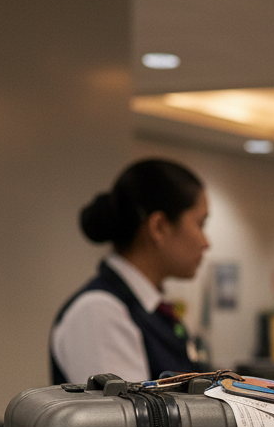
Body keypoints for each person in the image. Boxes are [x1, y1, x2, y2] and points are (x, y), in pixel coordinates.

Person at [50, 158, 210, 384]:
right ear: (159, 227)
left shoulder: (153, 310)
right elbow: (126, 417)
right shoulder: (100, 311)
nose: (206, 242)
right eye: (200, 224)